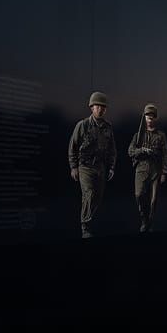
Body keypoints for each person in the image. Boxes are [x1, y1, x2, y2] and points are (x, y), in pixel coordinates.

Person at [68, 91, 116, 238]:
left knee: (98, 197)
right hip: (85, 167)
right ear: (92, 107)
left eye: (103, 107)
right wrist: (73, 167)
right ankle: (85, 227)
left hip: (100, 167)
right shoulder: (82, 125)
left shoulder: (108, 127)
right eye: (98, 106)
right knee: (88, 194)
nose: (101, 109)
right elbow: (72, 147)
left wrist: (112, 167)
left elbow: (112, 149)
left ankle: (87, 219)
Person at [128, 103, 167, 232]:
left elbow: (165, 154)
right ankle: (144, 219)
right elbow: (130, 151)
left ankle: (149, 222)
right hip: (141, 169)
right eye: (147, 116)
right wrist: (142, 150)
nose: (150, 119)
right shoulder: (138, 135)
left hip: (155, 169)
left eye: (152, 117)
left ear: (155, 118)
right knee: (139, 195)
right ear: (144, 118)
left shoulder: (161, 135)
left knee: (153, 200)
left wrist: (164, 172)